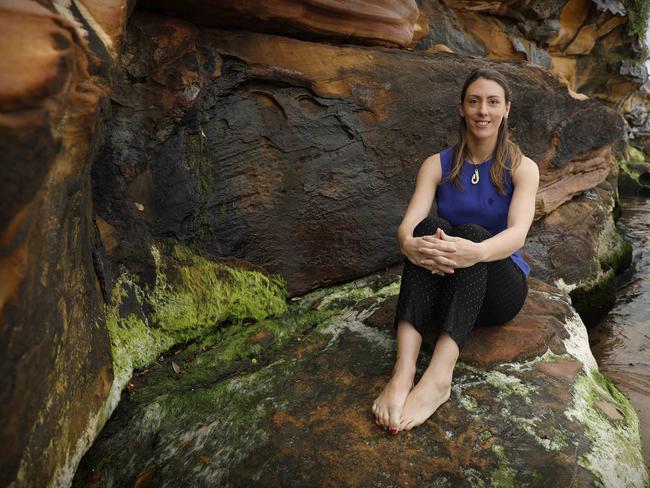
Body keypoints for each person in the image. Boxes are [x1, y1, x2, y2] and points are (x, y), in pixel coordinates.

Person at [371, 67, 540, 435]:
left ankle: (438, 377)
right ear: (462, 108)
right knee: (429, 230)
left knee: (472, 234)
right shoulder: (436, 164)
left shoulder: (522, 168)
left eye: (493, 102)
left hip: (499, 289)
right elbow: (408, 224)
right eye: (474, 101)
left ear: (506, 110)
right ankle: (402, 374)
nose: (483, 110)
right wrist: (408, 244)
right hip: (452, 283)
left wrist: (475, 252)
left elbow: (518, 235)